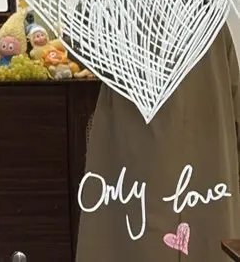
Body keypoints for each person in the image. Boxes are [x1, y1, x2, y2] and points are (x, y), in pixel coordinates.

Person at [76, 24, 240, 262]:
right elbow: (235, 93)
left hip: (136, 155)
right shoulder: (211, 18)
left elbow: (81, 45)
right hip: (205, 159)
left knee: (134, 237)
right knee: (204, 240)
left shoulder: (119, 14)